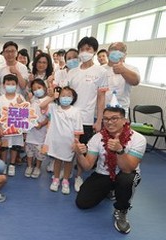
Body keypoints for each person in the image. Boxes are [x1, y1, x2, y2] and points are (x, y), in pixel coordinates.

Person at [74, 106, 146, 234]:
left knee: (126, 180)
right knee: (82, 203)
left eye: (114, 118)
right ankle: (110, 190)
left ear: (124, 120)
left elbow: (128, 169)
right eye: (106, 119)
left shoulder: (138, 139)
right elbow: (87, 166)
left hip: (126, 174)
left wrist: (120, 150)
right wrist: (79, 154)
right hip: (104, 174)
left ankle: (121, 210)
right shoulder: (97, 138)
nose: (109, 122)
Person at [66, 36, 108, 192]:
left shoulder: (101, 72)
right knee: (68, 145)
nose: (85, 52)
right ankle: (65, 174)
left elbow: (101, 98)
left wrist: (99, 120)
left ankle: (78, 176)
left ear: (94, 51)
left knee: (82, 148)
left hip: (87, 118)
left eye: (88, 49)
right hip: (69, 116)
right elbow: (66, 95)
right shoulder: (72, 72)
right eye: (82, 49)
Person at [41, 87, 83, 194]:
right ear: (58, 97)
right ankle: (56, 179)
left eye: (69, 95)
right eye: (63, 95)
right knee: (57, 160)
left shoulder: (76, 111)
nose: (66, 98)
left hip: (69, 142)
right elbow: (42, 106)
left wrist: (76, 142)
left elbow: (78, 129)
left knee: (68, 161)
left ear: (73, 98)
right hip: (56, 141)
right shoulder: (54, 108)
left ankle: (65, 180)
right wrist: (51, 98)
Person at [0, 74, 25, 176]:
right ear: (4, 85)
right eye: (8, 83)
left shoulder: (20, 97)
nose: (10, 85)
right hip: (4, 129)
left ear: (17, 85)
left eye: (13, 84)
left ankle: (12, 164)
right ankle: (4, 164)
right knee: (4, 147)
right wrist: (0, 126)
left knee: (15, 146)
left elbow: (25, 114)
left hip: (16, 129)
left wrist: (21, 104)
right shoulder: (0, 99)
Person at [104, 42, 140, 118]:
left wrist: (123, 70)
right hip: (101, 111)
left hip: (120, 112)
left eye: (121, 50)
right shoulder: (101, 69)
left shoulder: (131, 68)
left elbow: (136, 81)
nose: (117, 52)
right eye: (114, 49)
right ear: (107, 53)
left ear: (125, 55)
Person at [24, 79, 49, 178]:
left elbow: (49, 117)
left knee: (39, 151)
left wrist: (42, 124)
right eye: (34, 89)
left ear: (44, 88)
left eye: (39, 88)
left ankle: (38, 167)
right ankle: (29, 166)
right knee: (29, 149)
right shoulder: (32, 100)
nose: (37, 90)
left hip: (41, 131)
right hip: (31, 131)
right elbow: (26, 112)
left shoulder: (48, 100)